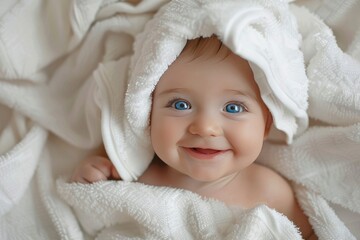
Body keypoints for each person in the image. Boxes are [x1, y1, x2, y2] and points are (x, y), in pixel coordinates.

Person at [71, 36, 316, 239]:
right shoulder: (137, 178)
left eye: (233, 108)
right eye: (180, 104)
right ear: (147, 114)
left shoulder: (270, 191)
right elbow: (91, 218)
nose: (205, 127)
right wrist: (89, 180)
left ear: (266, 125)